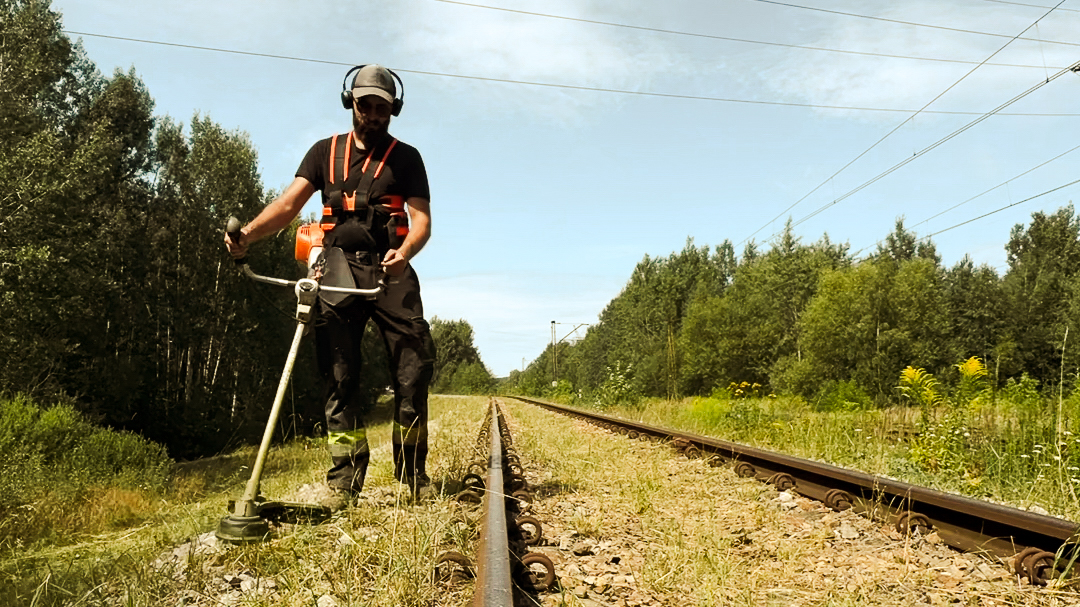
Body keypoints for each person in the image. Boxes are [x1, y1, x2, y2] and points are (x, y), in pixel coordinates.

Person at [224, 64, 435, 506]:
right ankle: (344, 482)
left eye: (383, 108)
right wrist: (248, 237)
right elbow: (286, 206)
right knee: (338, 375)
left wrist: (405, 254)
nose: (374, 115)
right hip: (336, 270)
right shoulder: (323, 153)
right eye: (366, 106)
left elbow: (422, 224)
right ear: (350, 103)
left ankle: (413, 477)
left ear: (393, 110)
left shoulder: (407, 158)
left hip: (391, 271)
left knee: (412, 370)